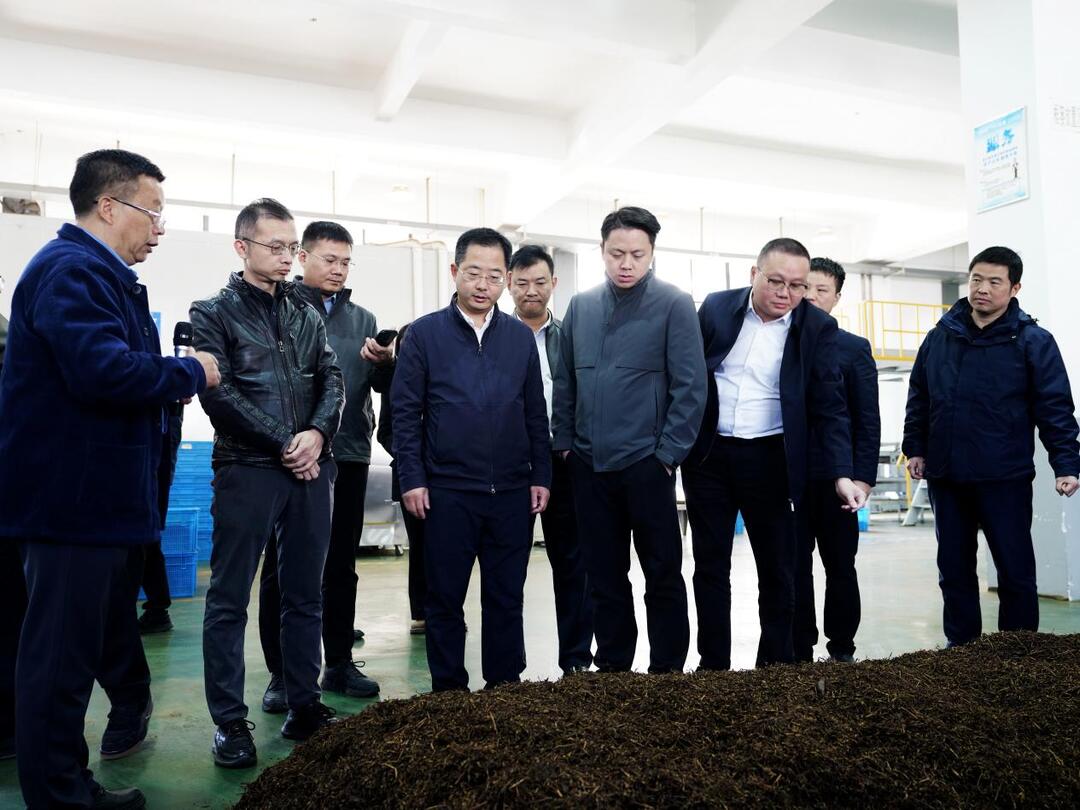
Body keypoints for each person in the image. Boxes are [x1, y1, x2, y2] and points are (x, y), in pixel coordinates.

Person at [0, 149, 218, 809]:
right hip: (72, 504)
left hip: (90, 502)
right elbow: (105, 372)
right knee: (58, 663)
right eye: (152, 212)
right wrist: (193, 371)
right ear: (107, 206)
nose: (159, 228)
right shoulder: (72, 271)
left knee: (68, 656)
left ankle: (67, 784)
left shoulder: (98, 275)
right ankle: (61, 795)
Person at [191, 198, 345, 768]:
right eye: (274, 246)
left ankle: (304, 704)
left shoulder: (306, 312)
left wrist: (318, 435)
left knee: (305, 594)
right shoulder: (212, 312)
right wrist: (286, 442)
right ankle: (230, 723)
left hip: (310, 469)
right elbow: (218, 393)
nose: (286, 257)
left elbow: (332, 377)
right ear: (242, 247)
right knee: (229, 598)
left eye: (291, 247)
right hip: (247, 468)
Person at [683, 237, 864, 671]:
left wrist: (842, 473)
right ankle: (713, 666)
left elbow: (830, 406)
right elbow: (687, 376)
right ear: (754, 274)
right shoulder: (715, 308)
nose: (786, 293)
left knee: (778, 568)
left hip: (771, 459)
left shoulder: (816, 328)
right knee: (710, 566)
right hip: (709, 458)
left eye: (797, 286)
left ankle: (775, 667)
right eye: (776, 282)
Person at [392, 227, 551, 692]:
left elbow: (535, 412)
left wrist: (541, 475)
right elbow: (405, 413)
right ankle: (449, 691)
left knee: (506, 597)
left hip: (511, 493)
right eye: (474, 273)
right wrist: (412, 478)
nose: (483, 285)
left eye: (495, 276)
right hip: (446, 493)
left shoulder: (519, 338)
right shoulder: (424, 335)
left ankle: (504, 687)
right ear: (455, 271)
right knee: (444, 598)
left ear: (506, 279)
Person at [551, 206, 706, 674]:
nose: (626, 263)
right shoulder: (581, 307)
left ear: (652, 253)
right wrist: (566, 443)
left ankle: (667, 671)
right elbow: (565, 381)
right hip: (588, 465)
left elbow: (691, 387)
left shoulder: (675, 304)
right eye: (617, 253)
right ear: (601, 250)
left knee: (662, 572)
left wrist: (667, 456)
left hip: (646, 464)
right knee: (603, 575)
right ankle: (614, 668)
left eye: (638, 254)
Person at [903, 245, 1080, 647]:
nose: (982, 288)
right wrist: (916, 447)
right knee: (953, 569)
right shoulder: (940, 337)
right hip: (947, 475)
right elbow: (920, 397)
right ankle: (961, 649)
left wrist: (1067, 463)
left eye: (994, 282)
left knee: (1014, 569)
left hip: (1004, 476)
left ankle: (1017, 651)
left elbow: (1054, 406)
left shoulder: (1033, 341)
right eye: (976, 279)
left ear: (1014, 288)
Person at [258, 221, 389, 712]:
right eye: (329, 259)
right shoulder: (278, 308)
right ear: (303, 257)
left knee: (340, 567)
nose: (338, 269)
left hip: (348, 452)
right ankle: (282, 675)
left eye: (346, 261)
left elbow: (376, 387)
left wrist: (385, 362)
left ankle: (338, 662)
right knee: (282, 569)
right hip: (290, 456)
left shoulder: (363, 318)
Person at [508, 244, 594, 674]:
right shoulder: (497, 339)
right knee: (509, 568)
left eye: (540, 282)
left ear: (554, 284)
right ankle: (509, 665)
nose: (531, 291)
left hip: (564, 460)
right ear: (509, 283)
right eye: (522, 283)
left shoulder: (571, 337)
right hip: (512, 465)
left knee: (574, 565)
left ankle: (576, 660)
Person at [794, 257, 880, 662]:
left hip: (837, 481)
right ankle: (799, 646)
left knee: (841, 566)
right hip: (791, 478)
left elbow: (867, 419)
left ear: (837, 298)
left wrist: (862, 478)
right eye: (805, 287)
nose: (811, 296)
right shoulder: (782, 342)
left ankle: (842, 647)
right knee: (794, 567)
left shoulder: (853, 348)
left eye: (821, 290)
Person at [375, 323, 429, 635]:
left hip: (445, 475)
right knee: (420, 547)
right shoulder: (395, 380)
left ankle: (448, 610)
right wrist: (410, 456)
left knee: (448, 548)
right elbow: (385, 431)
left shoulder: (442, 376)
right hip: (410, 476)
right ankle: (421, 613)